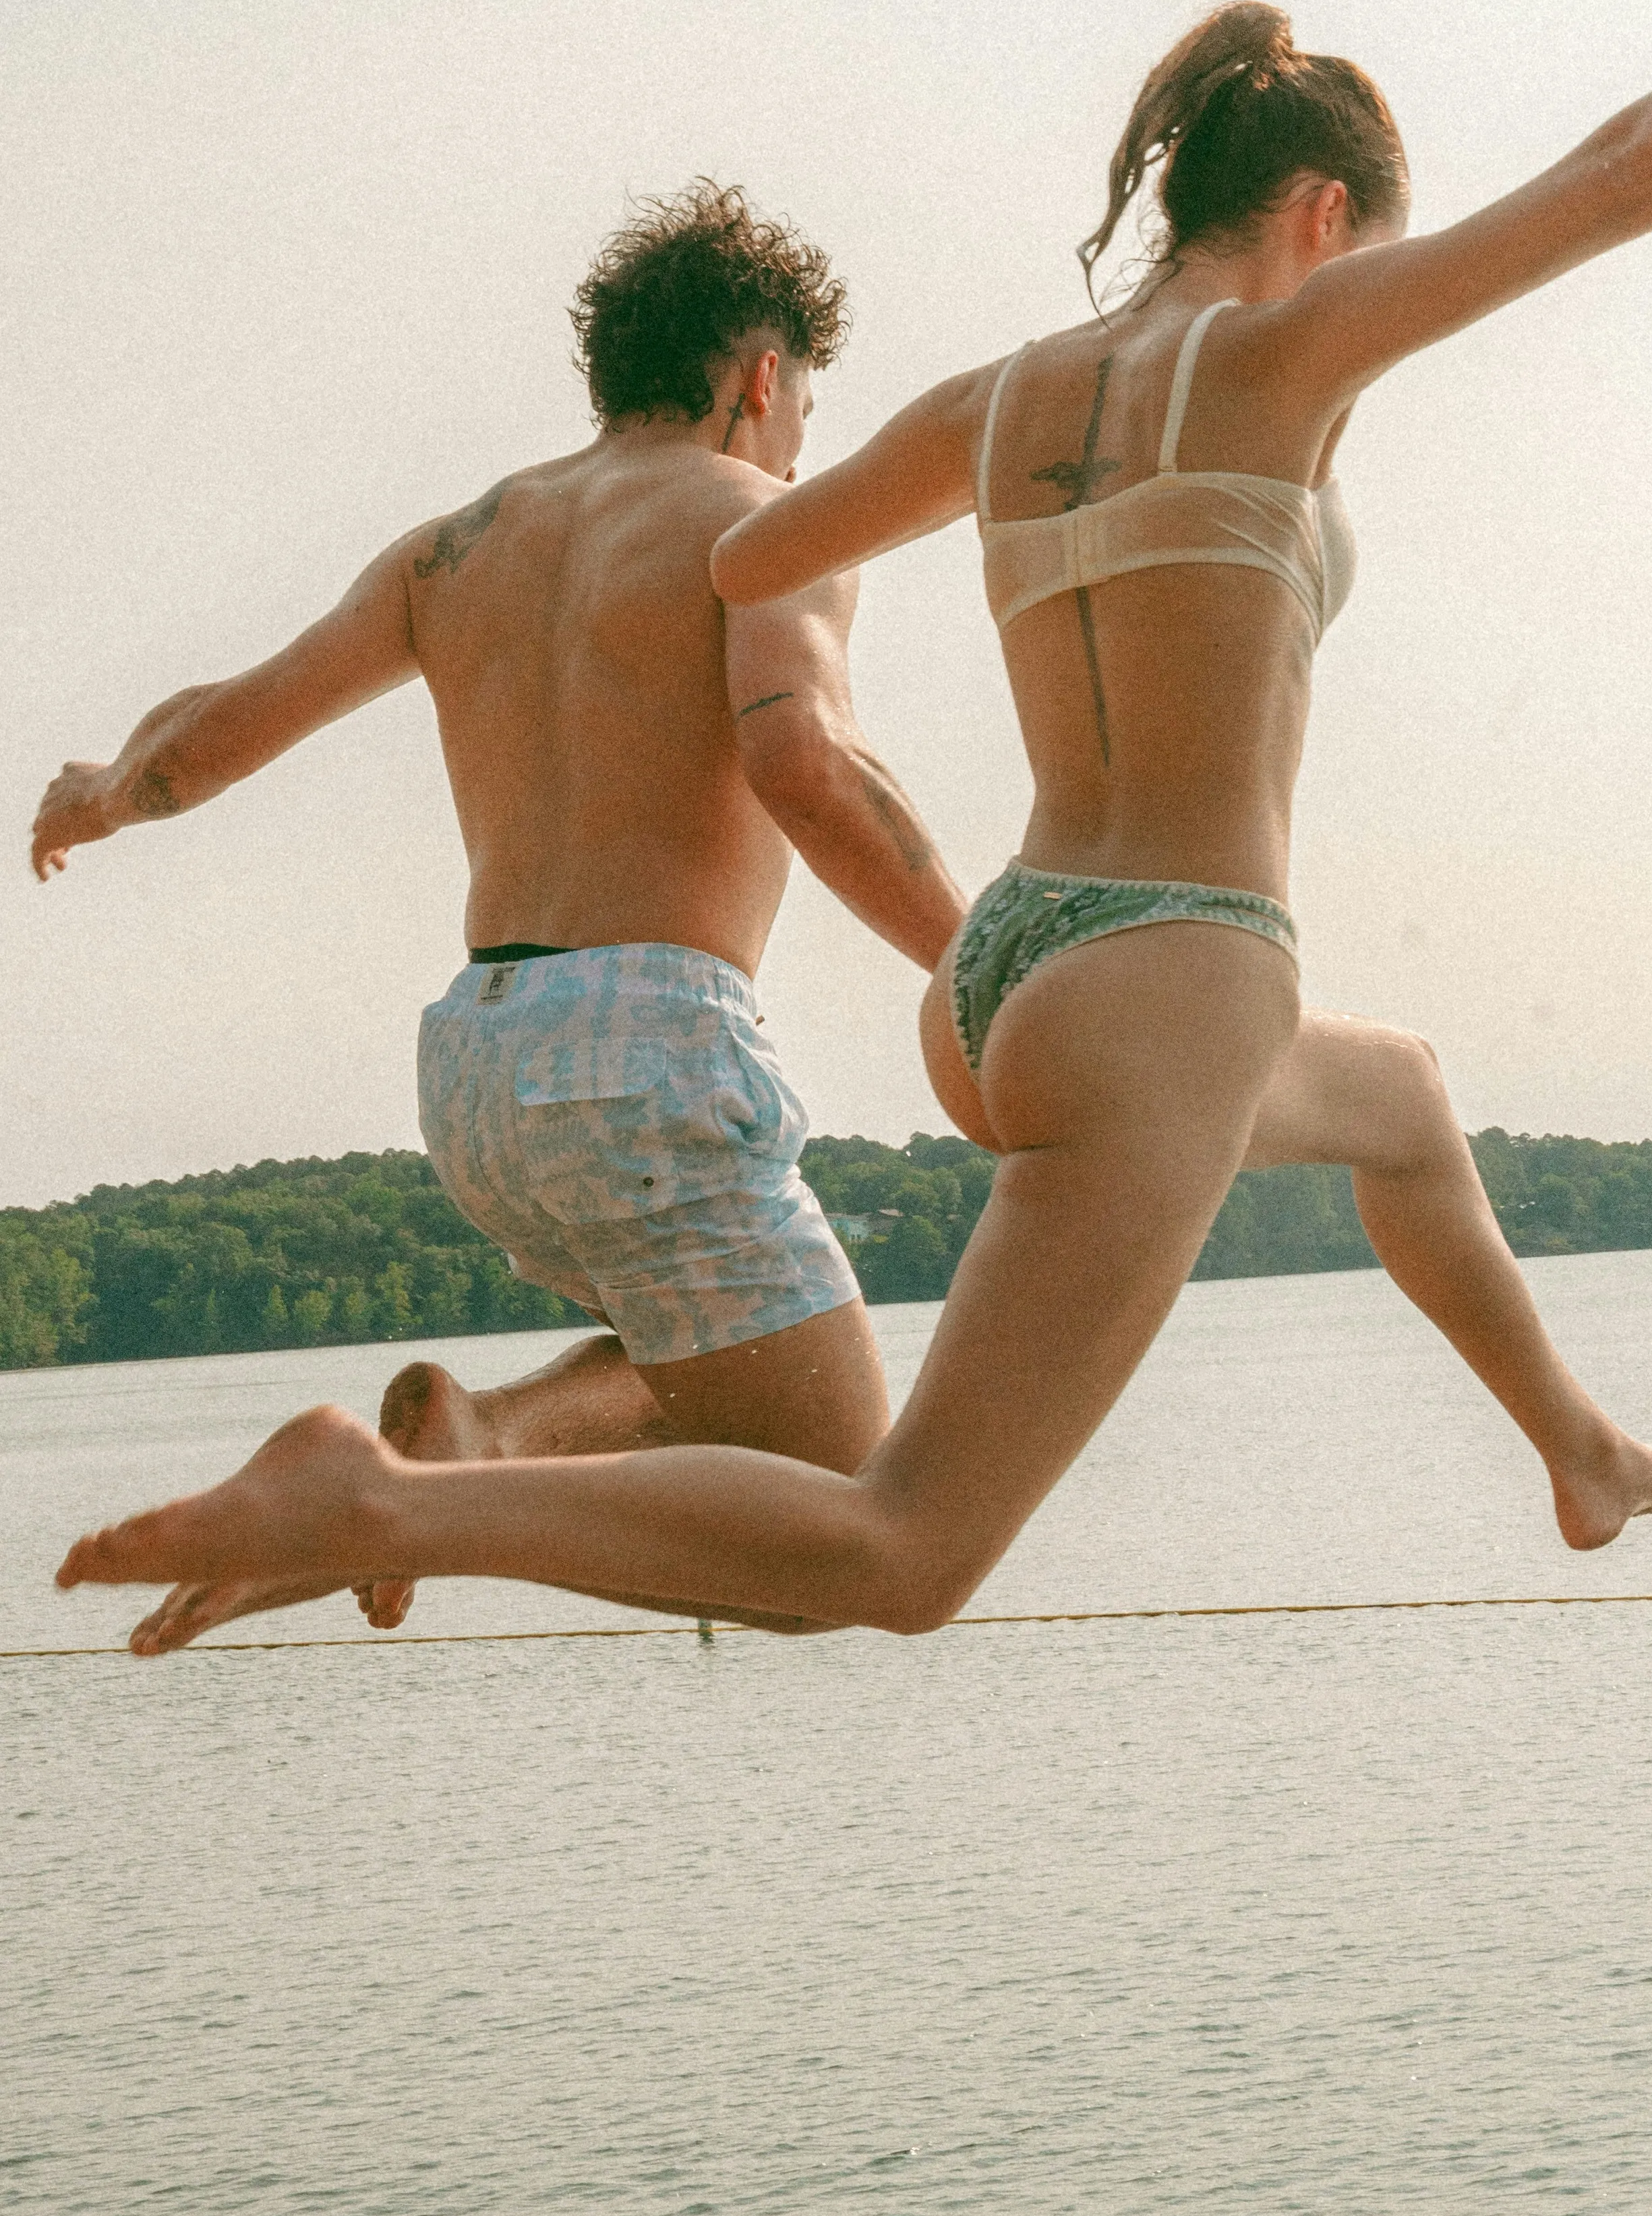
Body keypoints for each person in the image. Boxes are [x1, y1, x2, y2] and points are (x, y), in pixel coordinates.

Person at [61, 0, 1652, 1640]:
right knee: (902, 1554)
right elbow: (1633, 167)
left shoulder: (995, 403)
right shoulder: (1285, 356)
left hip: (1007, 980)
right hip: (1171, 968)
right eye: (1362, 246)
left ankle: (1578, 1451)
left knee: (1403, 1102)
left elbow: (751, 554)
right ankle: (387, 1504)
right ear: (1321, 213)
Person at [31, 183, 967, 1646]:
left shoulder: (456, 548)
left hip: (478, 1064)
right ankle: (398, 1503)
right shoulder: (763, 525)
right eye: (803, 406)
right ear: (760, 375)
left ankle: (475, 1448)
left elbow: (223, 726)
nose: (801, 444)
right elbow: (807, 760)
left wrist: (103, 792)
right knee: (849, 1526)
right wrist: (980, 967)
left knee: (701, 1373)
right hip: (646, 1048)